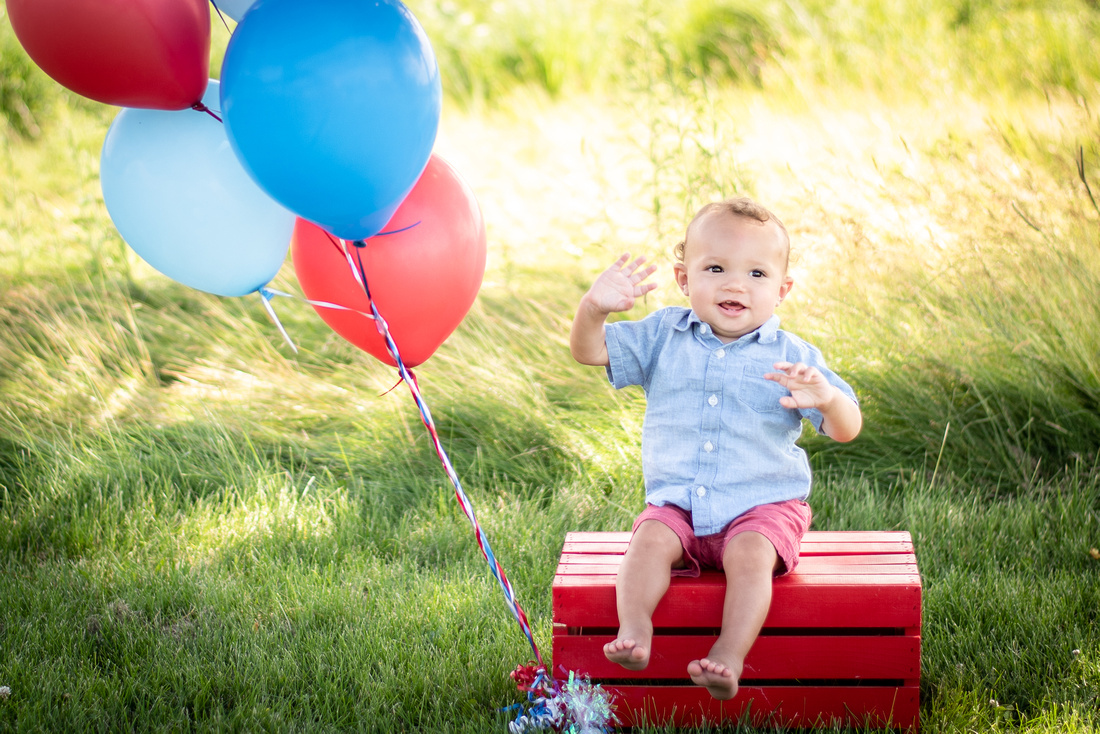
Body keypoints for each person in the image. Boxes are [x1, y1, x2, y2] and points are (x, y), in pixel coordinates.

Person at [569, 197, 862, 700]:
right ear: (685, 279)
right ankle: (635, 630)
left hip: (763, 508)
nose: (734, 284)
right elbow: (589, 351)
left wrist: (830, 399)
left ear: (781, 289)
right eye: (716, 268)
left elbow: (846, 428)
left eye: (755, 273)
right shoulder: (663, 335)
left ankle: (728, 654)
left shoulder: (793, 358)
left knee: (750, 555)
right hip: (678, 504)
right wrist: (592, 309)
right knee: (647, 540)